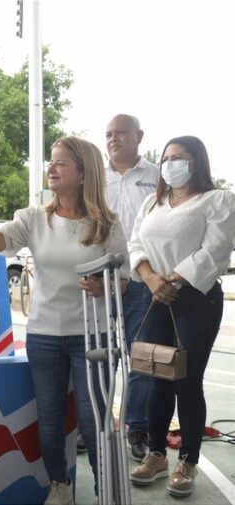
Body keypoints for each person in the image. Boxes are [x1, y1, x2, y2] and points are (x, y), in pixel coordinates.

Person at [0, 136, 129, 505]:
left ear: (82, 173)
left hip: (91, 336)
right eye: (51, 161)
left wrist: (102, 287)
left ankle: (105, 491)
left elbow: (122, 278)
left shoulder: (106, 223)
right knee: (49, 419)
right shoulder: (33, 219)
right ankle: (59, 488)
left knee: (94, 422)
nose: (51, 168)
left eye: (60, 163)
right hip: (45, 334)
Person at [127, 136, 235, 498]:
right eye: (167, 158)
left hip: (195, 298)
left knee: (187, 380)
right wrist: (152, 279)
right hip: (155, 294)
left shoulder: (217, 200)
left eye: (180, 158)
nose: (171, 164)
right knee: (157, 376)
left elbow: (215, 250)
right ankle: (157, 454)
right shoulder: (153, 201)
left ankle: (188, 459)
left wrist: (173, 279)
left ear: (197, 163)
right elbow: (135, 244)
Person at [104, 114, 159, 461]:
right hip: (101, 282)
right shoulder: (94, 177)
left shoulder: (158, 176)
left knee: (141, 358)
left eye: (120, 132)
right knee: (99, 358)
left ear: (138, 136)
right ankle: (93, 425)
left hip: (142, 281)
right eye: (108, 134)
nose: (113, 139)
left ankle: (136, 427)